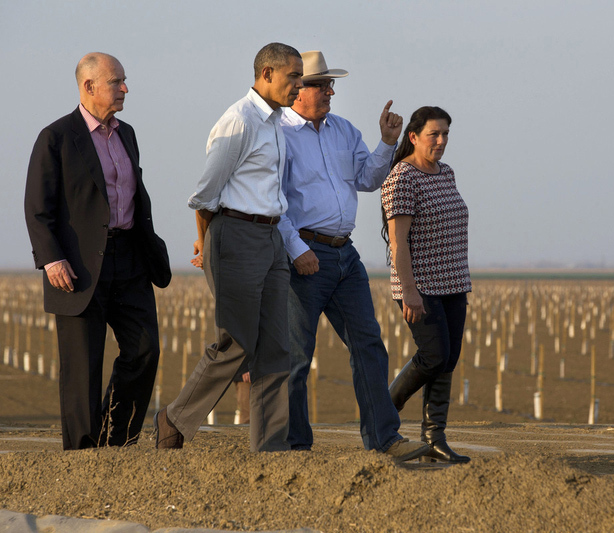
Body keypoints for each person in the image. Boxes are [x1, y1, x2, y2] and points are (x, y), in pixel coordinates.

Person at [278, 50, 428, 461]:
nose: (330, 91)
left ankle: (384, 439)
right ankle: (295, 447)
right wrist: (296, 249)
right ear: (298, 90)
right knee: (296, 356)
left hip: (345, 255)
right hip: (304, 256)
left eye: (331, 85)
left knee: (369, 346)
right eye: (321, 85)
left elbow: (367, 178)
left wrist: (387, 142)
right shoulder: (278, 135)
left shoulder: (343, 130)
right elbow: (273, 202)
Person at [153, 43, 303, 453]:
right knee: (235, 342)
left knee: (276, 348)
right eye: (293, 76)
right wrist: (206, 242)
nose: (299, 84)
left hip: (271, 238)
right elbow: (205, 196)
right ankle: (174, 418)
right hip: (236, 235)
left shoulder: (276, 122)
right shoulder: (239, 121)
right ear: (267, 74)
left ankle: (269, 447)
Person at [24, 52, 171, 450]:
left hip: (130, 259)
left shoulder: (127, 134)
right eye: (116, 81)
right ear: (89, 86)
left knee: (145, 349)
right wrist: (51, 258)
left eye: (124, 80)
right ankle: (83, 453)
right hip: (78, 267)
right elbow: (37, 206)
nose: (125, 88)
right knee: (83, 365)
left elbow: (134, 196)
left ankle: (116, 439)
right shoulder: (56, 137)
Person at [380, 106, 472, 463]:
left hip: (453, 281)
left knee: (447, 360)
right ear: (414, 137)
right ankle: (381, 415)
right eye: (434, 134)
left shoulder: (445, 173)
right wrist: (409, 290)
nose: (441, 140)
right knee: (433, 355)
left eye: (446, 134)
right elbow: (398, 242)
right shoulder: (402, 177)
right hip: (421, 285)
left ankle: (435, 439)